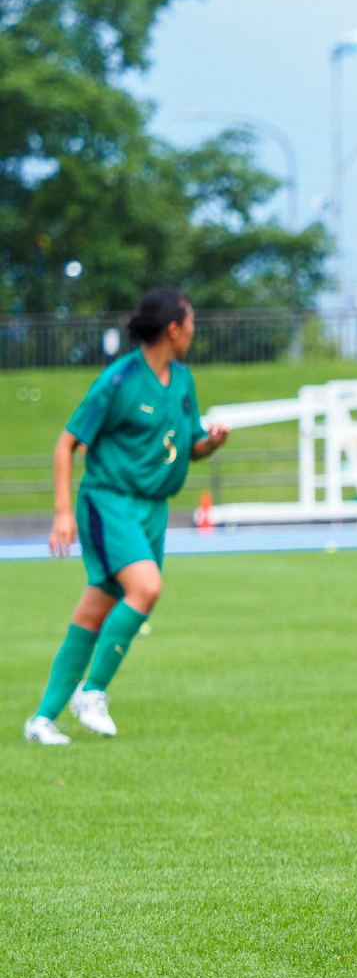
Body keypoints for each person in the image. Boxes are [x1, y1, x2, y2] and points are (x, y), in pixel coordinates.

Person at [24, 289, 229, 745]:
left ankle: (41, 719)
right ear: (174, 328)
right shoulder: (119, 380)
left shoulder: (183, 380)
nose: (195, 328)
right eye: (191, 320)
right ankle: (91, 691)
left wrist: (211, 442)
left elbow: (189, 446)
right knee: (147, 587)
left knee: (94, 612)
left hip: (152, 511)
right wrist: (62, 513)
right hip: (109, 501)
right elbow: (66, 444)